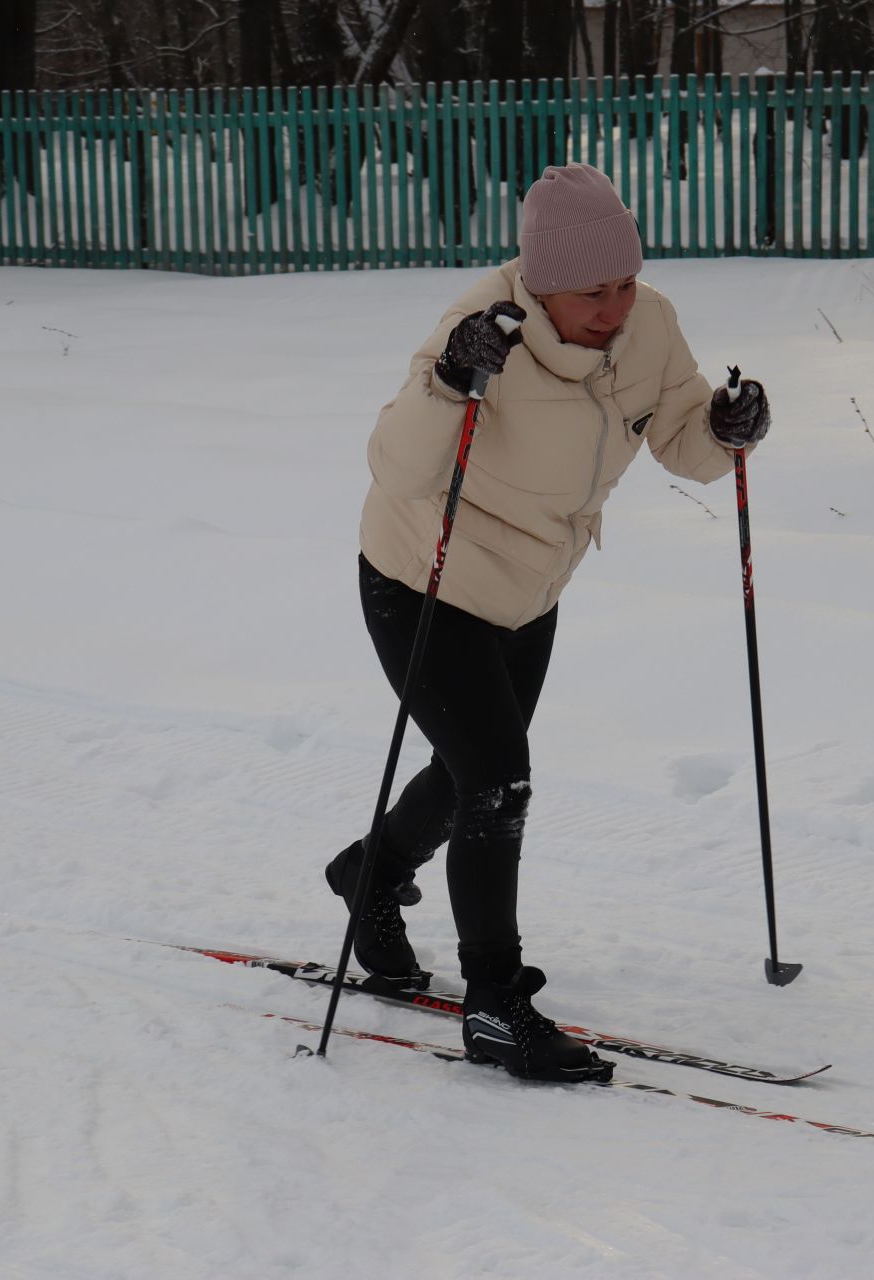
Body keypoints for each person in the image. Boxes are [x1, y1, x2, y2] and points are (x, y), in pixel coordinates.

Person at [325, 163, 772, 1084]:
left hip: (528, 588)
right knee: (497, 779)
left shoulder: (647, 322)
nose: (615, 308)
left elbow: (681, 437)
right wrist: (451, 380)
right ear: (538, 282)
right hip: (422, 577)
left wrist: (728, 428)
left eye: (624, 283)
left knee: (469, 772)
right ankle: (494, 1005)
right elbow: (397, 466)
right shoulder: (484, 331)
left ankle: (370, 874)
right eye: (593, 292)